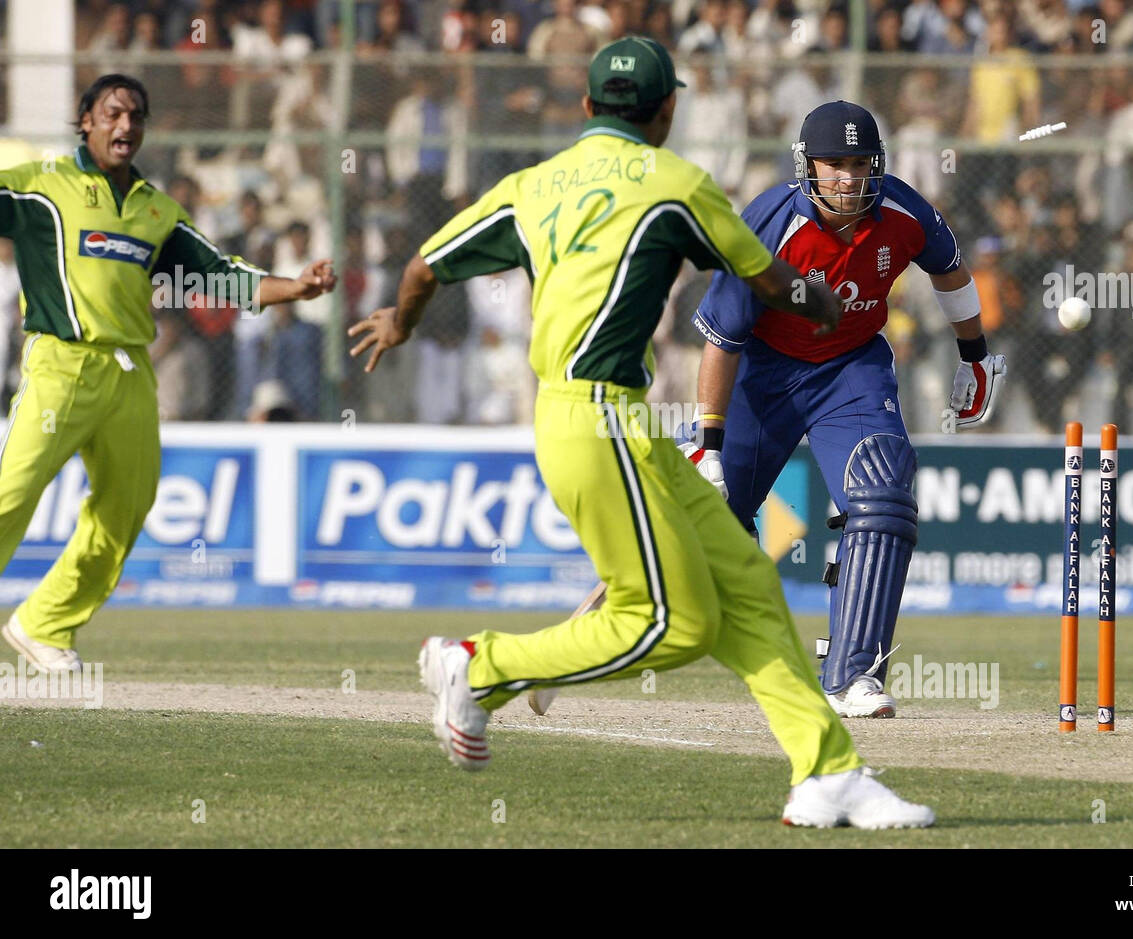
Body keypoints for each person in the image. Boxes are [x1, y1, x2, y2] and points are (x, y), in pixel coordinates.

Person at [348, 38, 935, 830]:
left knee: (750, 588)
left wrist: (400, 320)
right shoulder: (678, 183)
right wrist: (820, 302)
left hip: (585, 417)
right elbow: (763, 276)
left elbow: (423, 267)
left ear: (587, 108)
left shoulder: (533, 184)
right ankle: (482, 666)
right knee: (672, 622)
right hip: (601, 421)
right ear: (667, 114)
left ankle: (828, 772)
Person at [0, 74, 335, 672]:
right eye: (111, 114)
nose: (124, 125)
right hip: (62, 364)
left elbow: (221, 273)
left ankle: (44, 622)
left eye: (135, 116)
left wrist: (298, 287)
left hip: (133, 373)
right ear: (86, 121)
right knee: (12, 495)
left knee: (126, 507)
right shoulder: (42, 188)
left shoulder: (157, 209)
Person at [688, 101, 1006, 720]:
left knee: (883, 496)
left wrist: (975, 356)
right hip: (762, 370)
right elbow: (721, 337)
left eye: (860, 164)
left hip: (850, 368)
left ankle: (852, 673)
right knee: (703, 517)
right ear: (807, 165)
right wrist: (709, 444)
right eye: (835, 164)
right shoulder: (770, 221)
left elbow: (950, 271)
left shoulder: (901, 209)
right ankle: (619, 640)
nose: (849, 179)